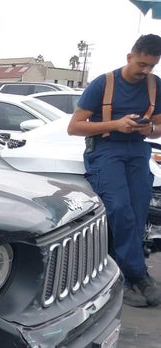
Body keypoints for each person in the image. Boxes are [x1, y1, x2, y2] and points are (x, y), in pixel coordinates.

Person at [68, 34, 161, 307]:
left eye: (151, 66)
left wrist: (149, 128)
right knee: (120, 209)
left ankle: (131, 276)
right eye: (141, 64)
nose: (145, 71)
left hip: (137, 150)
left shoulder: (155, 85)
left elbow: (159, 126)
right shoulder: (103, 83)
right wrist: (116, 124)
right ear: (129, 57)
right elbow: (74, 127)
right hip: (105, 151)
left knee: (138, 212)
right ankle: (133, 276)